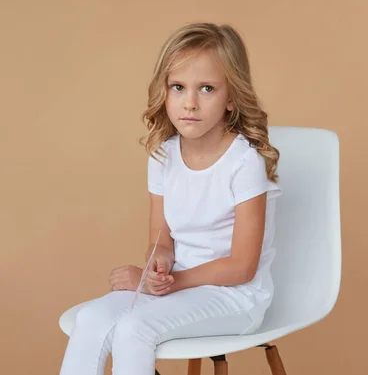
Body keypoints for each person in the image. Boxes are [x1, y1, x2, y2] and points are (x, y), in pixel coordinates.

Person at [59, 22, 282, 375]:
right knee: (91, 319)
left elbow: (242, 266)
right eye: (178, 87)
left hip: (234, 297)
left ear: (232, 98)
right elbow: (160, 240)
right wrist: (158, 266)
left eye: (206, 88)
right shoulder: (163, 155)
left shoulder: (244, 163)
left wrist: (171, 282)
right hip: (178, 287)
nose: (189, 103)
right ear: (164, 92)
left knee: (134, 329)